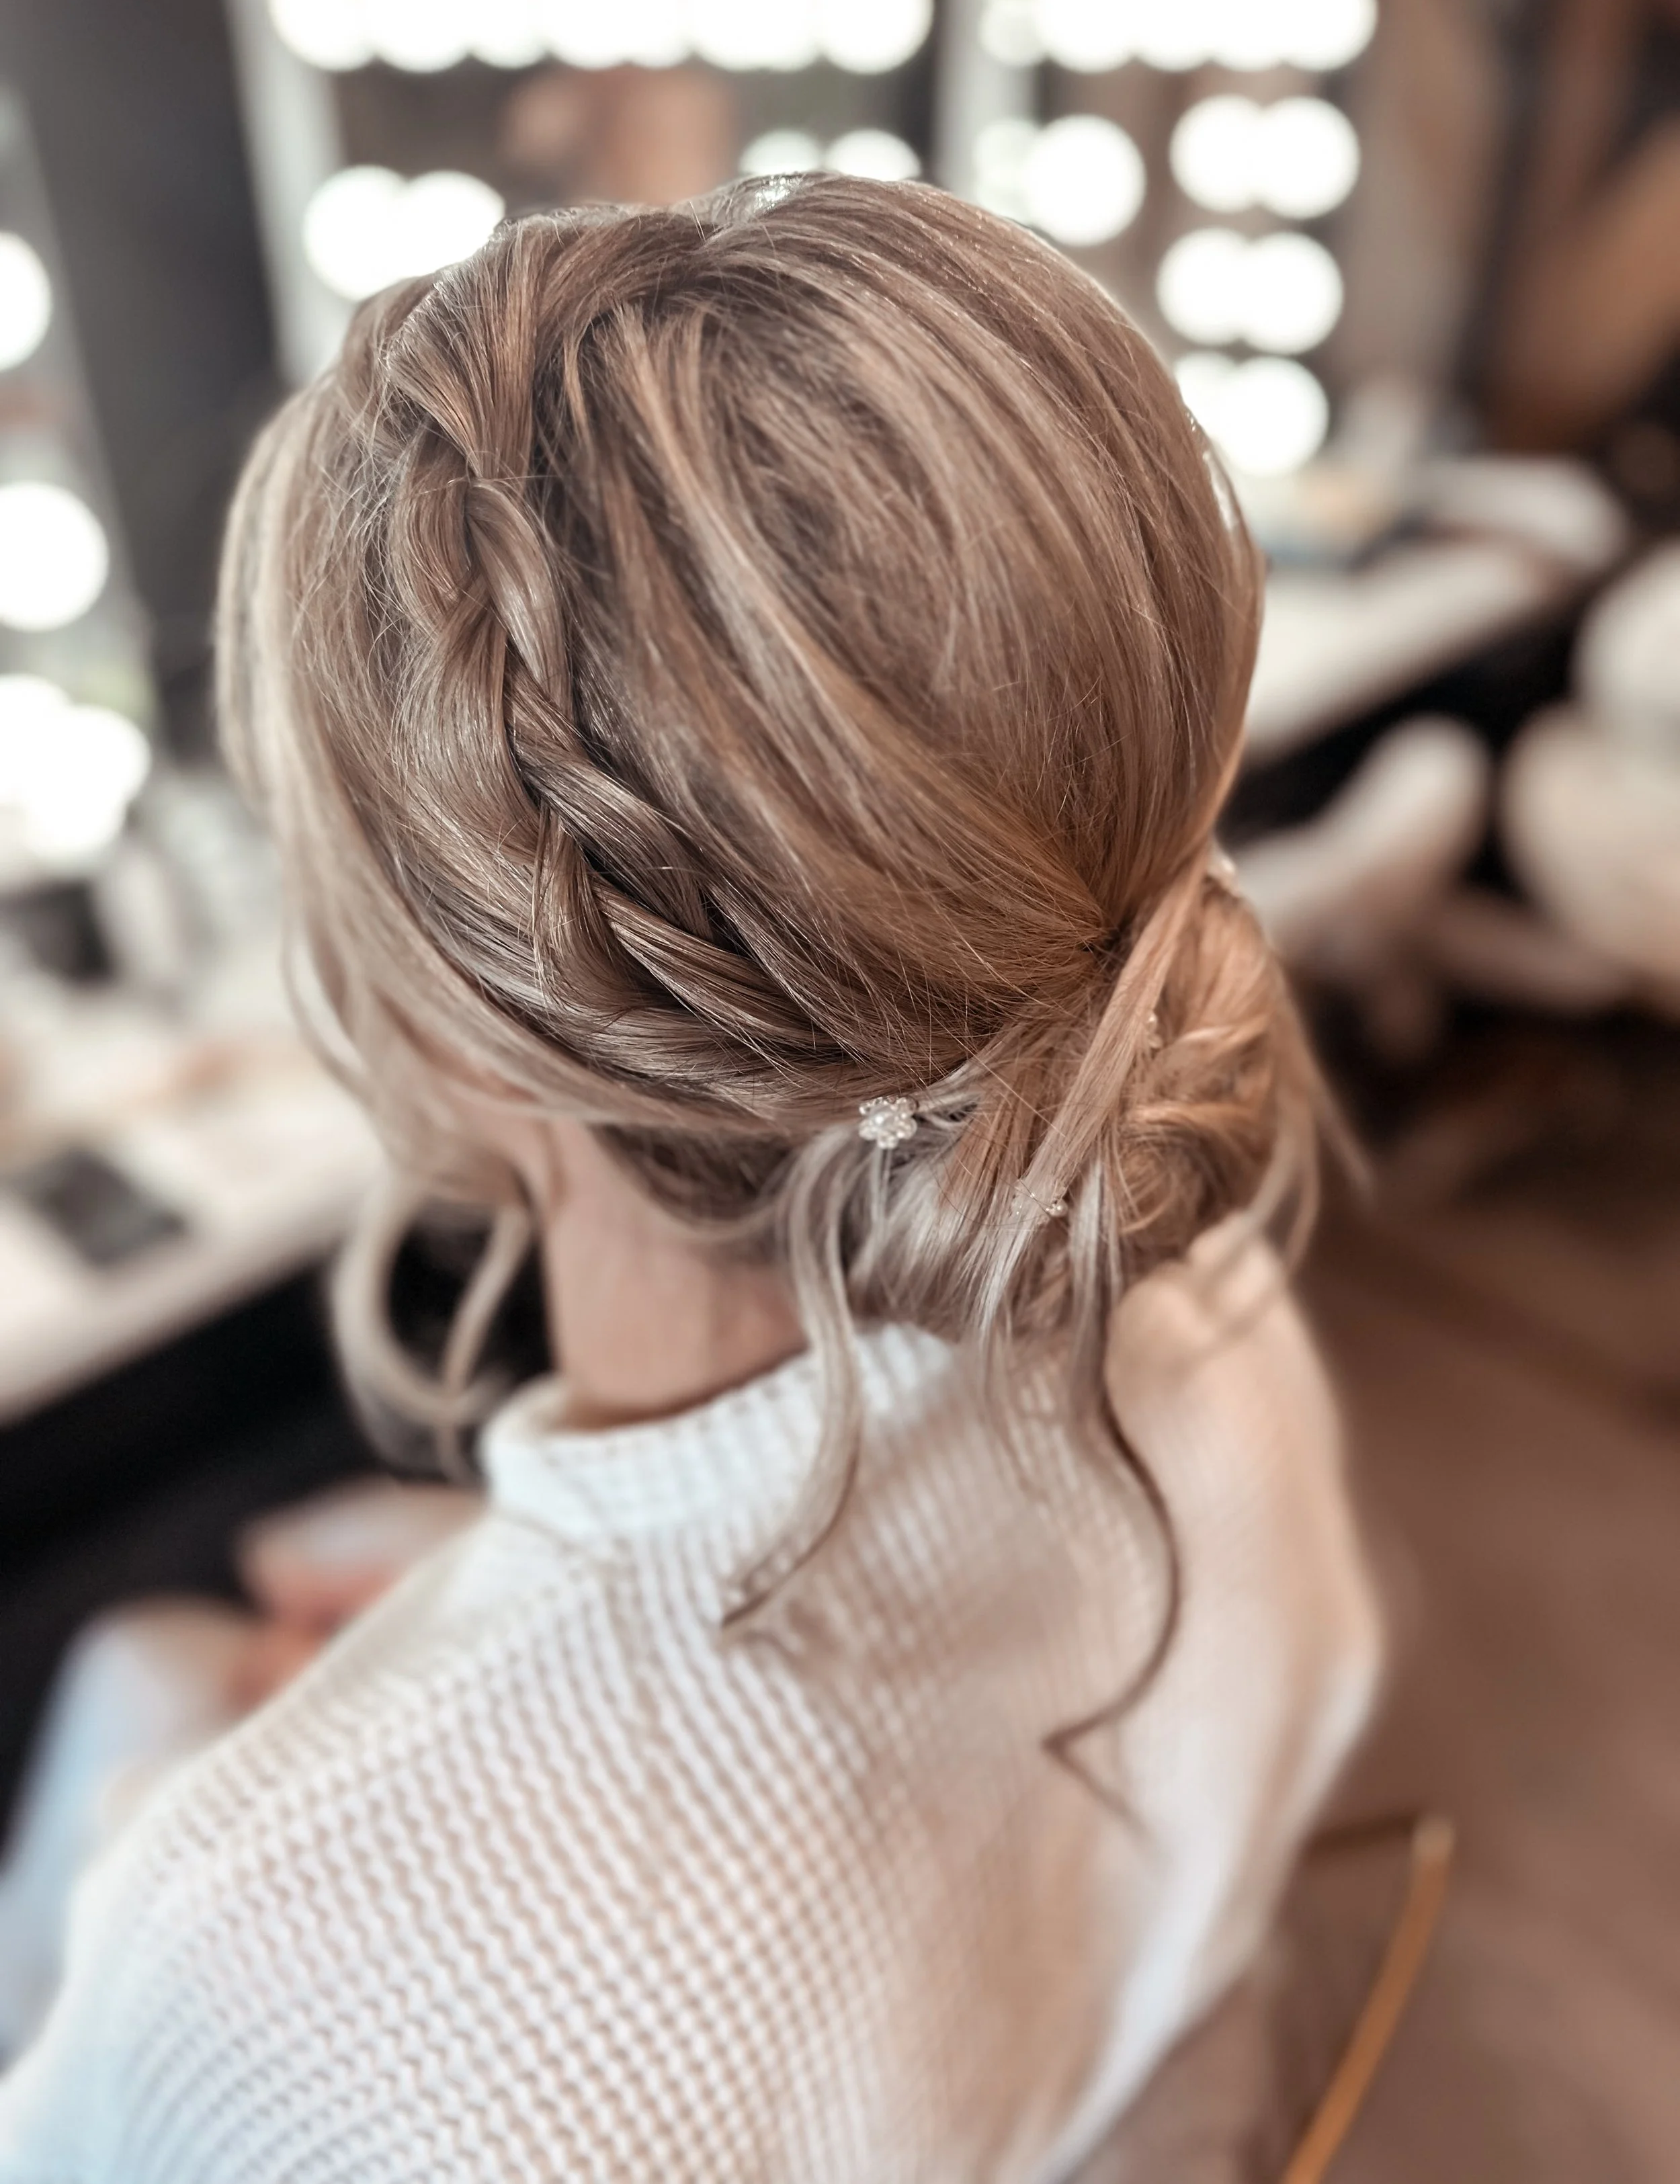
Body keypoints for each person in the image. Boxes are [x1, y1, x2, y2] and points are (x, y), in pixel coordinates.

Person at [0, 175, 1380, 2182]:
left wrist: (400, 1765)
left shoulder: (253, 1968)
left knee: (133, 1671)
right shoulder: (1227, 1330)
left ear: (465, 1023)